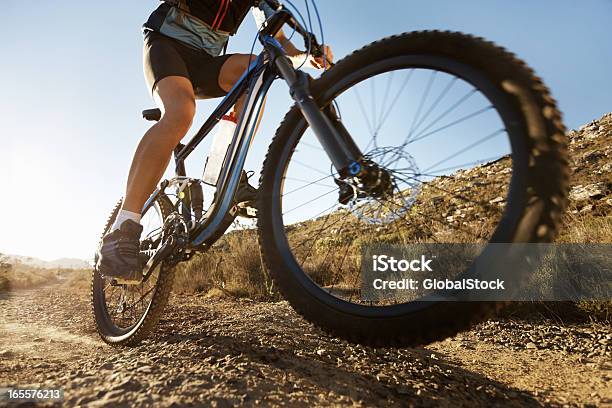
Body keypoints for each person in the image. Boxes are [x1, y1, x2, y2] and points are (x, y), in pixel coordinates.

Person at [96, 0, 333, 283]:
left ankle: (226, 174)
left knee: (256, 70)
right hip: (166, 45)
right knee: (181, 113)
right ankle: (124, 227)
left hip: (206, 61)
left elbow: (282, 43)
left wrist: (309, 55)